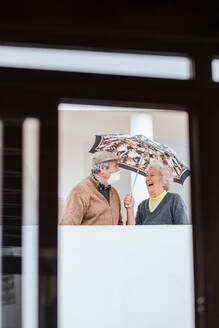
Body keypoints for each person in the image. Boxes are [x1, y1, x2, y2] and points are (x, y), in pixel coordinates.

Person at [60, 151, 123, 225]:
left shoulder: (114, 192)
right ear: (102, 167)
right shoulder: (79, 191)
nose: (119, 170)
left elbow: (119, 225)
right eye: (115, 166)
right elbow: (68, 226)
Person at [124, 160, 189, 225]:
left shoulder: (174, 200)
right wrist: (130, 209)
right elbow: (133, 232)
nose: (147, 179)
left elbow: (183, 230)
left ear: (164, 181)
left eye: (152, 175)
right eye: (147, 175)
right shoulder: (142, 206)